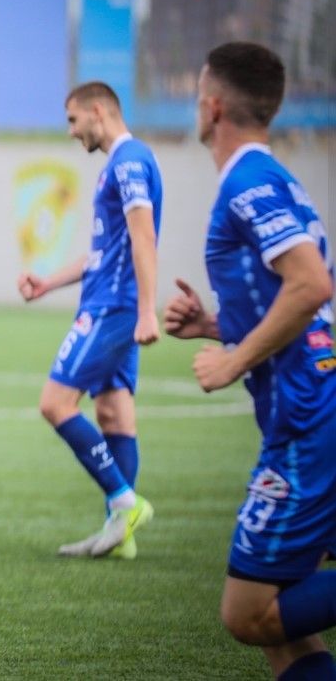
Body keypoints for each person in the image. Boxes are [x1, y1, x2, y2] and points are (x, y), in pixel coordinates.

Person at [163, 42, 335, 680]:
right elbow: (302, 301)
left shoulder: (246, 181)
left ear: (212, 107)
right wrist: (215, 326)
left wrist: (233, 361)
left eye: (197, 95)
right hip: (312, 406)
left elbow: (311, 285)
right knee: (284, 634)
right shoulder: (275, 178)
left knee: (248, 612)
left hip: (308, 421)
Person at [16, 82, 162, 559]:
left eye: (73, 120)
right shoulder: (118, 165)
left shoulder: (129, 161)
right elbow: (103, 254)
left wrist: (146, 310)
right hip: (109, 302)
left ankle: (125, 504)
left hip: (113, 308)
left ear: (98, 111)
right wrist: (48, 283)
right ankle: (119, 534)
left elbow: (144, 237)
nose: (71, 131)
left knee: (55, 403)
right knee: (114, 413)